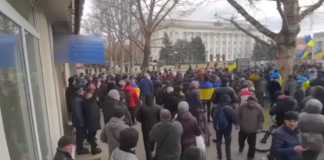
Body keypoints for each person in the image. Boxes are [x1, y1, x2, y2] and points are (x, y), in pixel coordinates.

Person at [213, 94, 237, 160]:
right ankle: (228, 158)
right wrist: (236, 124)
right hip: (227, 129)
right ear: (228, 100)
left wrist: (215, 126)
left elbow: (213, 117)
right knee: (227, 144)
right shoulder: (229, 108)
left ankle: (219, 156)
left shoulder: (216, 107)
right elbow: (234, 119)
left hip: (218, 128)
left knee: (218, 142)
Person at [71, 88, 89, 154]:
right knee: (79, 136)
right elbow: (77, 112)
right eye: (83, 91)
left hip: (79, 121)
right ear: (80, 92)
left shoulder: (77, 98)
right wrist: (81, 122)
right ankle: (80, 149)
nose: (84, 92)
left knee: (80, 136)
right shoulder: (77, 100)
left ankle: (80, 148)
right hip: (79, 122)